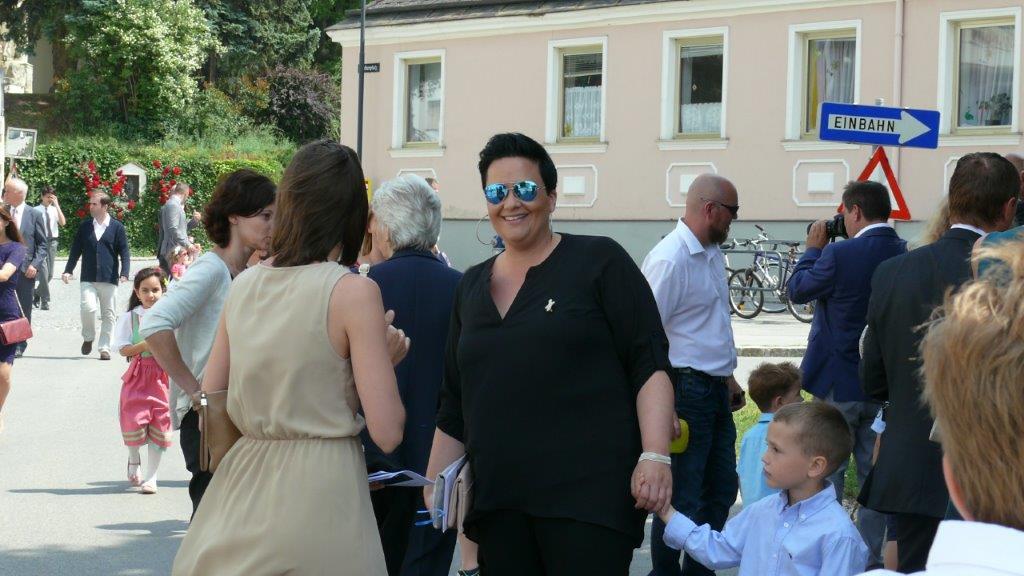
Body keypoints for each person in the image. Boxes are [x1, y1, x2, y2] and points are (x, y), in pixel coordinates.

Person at [423, 133, 676, 576]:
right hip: (499, 504)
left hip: (587, 502)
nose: (510, 203)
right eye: (496, 192)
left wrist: (655, 455)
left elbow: (648, 361)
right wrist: (435, 485)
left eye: (524, 189)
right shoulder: (470, 287)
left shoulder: (600, 262)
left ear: (552, 197)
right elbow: (455, 398)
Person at [171, 139, 408, 575]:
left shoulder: (244, 284)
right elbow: (388, 431)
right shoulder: (353, 292)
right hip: (323, 485)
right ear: (354, 213)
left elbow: (212, 398)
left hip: (242, 482)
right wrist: (381, 364)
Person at [860, 152, 1019, 572]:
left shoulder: (892, 271)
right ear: (1009, 208)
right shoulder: (1009, 273)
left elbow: (872, 377)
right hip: (993, 471)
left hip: (910, 461)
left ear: (952, 200)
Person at [140, 169, 276, 516]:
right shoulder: (212, 269)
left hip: (232, 412)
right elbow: (154, 323)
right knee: (212, 524)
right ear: (234, 216)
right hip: (208, 418)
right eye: (265, 216)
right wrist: (196, 392)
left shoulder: (243, 272)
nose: (273, 226)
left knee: (229, 525)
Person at [788, 180, 907, 565]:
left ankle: (829, 558)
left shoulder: (840, 254)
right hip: (884, 390)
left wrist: (813, 248)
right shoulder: (905, 252)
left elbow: (798, 289)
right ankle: (870, 561)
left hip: (838, 384)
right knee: (875, 480)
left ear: (855, 211)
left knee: (827, 474)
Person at [642, 173, 745, 576]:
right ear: (710, 209)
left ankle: (700, 571)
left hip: (712, 389)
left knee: (720, 488)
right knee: (681, 496)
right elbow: (646, 338)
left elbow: (712, 323)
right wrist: (662, 405)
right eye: (732, 211)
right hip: (684, 391)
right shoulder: (670, 259)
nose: (734, 219)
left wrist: (728, 377)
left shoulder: (711, 251)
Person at [362, 174, 462, 576]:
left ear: (386, 228)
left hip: (374, 461)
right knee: (427, 562)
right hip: (442, 460)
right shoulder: (464, 288)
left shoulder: (363, 287)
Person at [649, 402, 869, 576]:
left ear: (815, 466)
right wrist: (666, 511)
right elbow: (718, 549)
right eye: (768, 446)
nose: (765, 457)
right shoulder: (763, 511)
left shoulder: (839, 536)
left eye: (776, 450)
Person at [115, 267, 170, 495]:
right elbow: (123, 349)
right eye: (145, 290)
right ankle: (133, 456)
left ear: (163, 291)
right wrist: (147, 345)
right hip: (138, 376)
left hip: (162, 377)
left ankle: (152, 477)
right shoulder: (131, 318)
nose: (151, 295)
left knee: (160, 424)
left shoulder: (171, 316)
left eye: (155, 290)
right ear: (137, 293)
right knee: (133, 422)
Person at [62, 192, 130, 361]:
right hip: (88, 276)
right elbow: (75, 250)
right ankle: (88, 337)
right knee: (88, 308)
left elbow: (124, 252)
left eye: (94, 204)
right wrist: (68, 270)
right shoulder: (85, 226)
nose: (90, 207)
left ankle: (105, 348)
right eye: (90, 204)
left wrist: (124, 272)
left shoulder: (117, 227)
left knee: (109, 314)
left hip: (109, 277)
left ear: (105, 206)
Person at [738, 361, 803, 507]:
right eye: (798, 394)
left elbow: (742, 476)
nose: (802, 399)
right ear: (779, 402)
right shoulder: (790, 434)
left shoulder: (749, 436)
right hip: (779, 511)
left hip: (751, 510)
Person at [3, 177, 47, 358]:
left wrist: (35, 265)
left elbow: (43, 245)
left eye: (7, 191)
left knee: (23, 306)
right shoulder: (2, 212)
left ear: (19, 194)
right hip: (4, 268)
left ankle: (20, 343)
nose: (4, 193)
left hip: (25, 269)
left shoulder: (34, 214)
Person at [0, 207, 27, 433]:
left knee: (4, 374)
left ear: (6, 222)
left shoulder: (17, 248)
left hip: (6, 317)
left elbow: (4, 274)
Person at [33, 186, 65, 311]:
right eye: (47, 197)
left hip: (52, 242)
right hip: (40, 242)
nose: (49, 199)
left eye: (52, 197)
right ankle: (45, 301)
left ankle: (36, 293)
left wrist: (57, 204)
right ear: (42, 196)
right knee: (44, 272)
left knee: (50, 274)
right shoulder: (35, 210)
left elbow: (63, 223)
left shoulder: (54, 209)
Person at [158, 182, 193, 275]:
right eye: (187, 195)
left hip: (175, 249)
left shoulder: (175, 204)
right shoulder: (173, 205)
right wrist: (188, 244)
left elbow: (181, 227)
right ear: (185, 193)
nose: (187, 198)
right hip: (171, 251)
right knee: (170, 281)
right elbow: (173, 228)